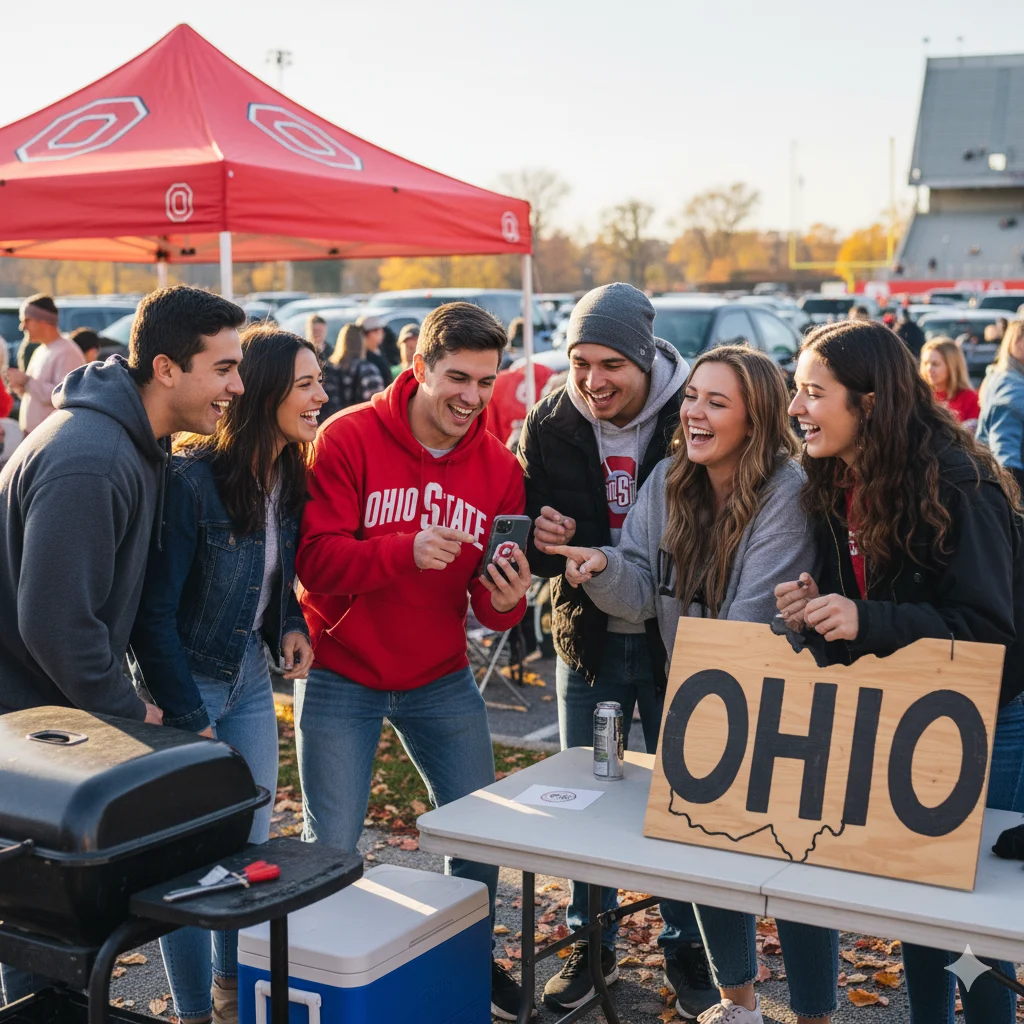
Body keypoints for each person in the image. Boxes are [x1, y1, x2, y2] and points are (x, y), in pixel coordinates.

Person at [548, 346, 838, 1024]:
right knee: (709, 855)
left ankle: (818, 1016)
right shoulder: (670, 480)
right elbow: (643, 593)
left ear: (756, 418)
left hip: (777, 703)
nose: (695, 413)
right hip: (707, 697)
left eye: (716, 402)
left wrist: (696, 711)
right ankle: (739, 1006)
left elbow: (746, 622)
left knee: (791, 873)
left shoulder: (786, 494)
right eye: (692, 398)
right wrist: (601, 569)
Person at [0, 285, 246, 1005]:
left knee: (56, 949)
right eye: (224, 368)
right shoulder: (93, 456)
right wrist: (127, 712)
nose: (237, 385)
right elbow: (56, 622)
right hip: (24, 728)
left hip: (43, 722)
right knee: (46, 952)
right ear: (167, 368)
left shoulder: (132, 439)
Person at [777, 319, 1024, 1024]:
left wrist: (866, 619)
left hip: (991, 714)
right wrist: (815, 612)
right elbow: (861, 617)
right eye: (797, 390)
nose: (796, 408)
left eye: (813, 392)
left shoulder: (961, 481)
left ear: (873, 402)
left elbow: (988, 634)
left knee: (968, 913)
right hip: (909, 707)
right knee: (920, 899)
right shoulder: (834, 475)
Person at [294, 302, 534, 1021]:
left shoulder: (496, 466)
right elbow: (312, 561)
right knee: (332, 842)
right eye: (457, 377)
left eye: (486, 382)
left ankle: (471, 960)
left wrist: (509, 598)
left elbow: (494, 608)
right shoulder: (347, 437)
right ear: (419, 367)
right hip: (342, 671)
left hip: (439, 675)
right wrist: (401, 551)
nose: (471, 396)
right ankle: (322, 970)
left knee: (477, 835)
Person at [518, 282, 715, 1016]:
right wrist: (539, 543)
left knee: (685, 799)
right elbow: (531, 540)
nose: (593, 380)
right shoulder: (551, 420)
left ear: (644, 359)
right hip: (590, 641)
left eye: (610, 365)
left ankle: (685, 944)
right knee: (585, 798)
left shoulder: (692, 408)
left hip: (680, 642)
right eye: (579, 362)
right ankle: (588, 941)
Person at [130, 326, 321, 1024]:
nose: (320, 397)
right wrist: (187, 715)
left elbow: (272, 576)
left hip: (247, 675)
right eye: (305, 385)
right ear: (267, 391)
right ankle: (194, 1013)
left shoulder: (288, 473)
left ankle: (229, 989)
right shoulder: (191, 479)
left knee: (245, 849)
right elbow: (153, 617)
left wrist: (289, 625)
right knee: (188, 868)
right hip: (188, 683)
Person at [5, 295, 84, 433]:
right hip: (34, 435)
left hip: (51, 438)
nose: (22, 326)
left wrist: (27, 380)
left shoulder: (67, 352)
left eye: (26, 320)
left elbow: (65, 396)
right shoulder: (41, 350)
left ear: (43, 321)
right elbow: (37, 393)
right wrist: (21, 386)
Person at [978, 321, 1024, 491]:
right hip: (1008, 486)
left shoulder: (999, 376)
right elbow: (1005, 456)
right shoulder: (1012, 389)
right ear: (1016, 342)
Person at [321, 322, 385, 420]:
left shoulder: (329, 369)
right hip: (359, 425)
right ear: (361, 342)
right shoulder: (368, 369)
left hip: (333, 424)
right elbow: (377, 405)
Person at [920, 336, 980, 430]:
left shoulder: (970, 399)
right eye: (925, 363)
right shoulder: (919, 396)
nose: (929, 369)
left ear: (952, 366)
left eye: (935, 364)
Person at [355, 313, 393, 382]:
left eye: (381, 330)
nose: (381, 333)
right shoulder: (363, 358)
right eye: (376, 331)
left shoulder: (382, 351)